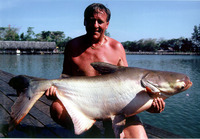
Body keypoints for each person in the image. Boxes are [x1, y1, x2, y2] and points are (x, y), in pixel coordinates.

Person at [45, 3, 165, 138]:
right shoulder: (72, 46)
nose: (95, 25)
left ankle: (110, 127)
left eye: (100, 21)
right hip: (83, 105)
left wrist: (151, 106)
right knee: (56, 108)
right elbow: (65, 79)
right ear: (84, 22)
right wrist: (56, 93)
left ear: (107, 24)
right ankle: (90, 133)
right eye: (91, 21)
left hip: (117, 108)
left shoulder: (117, 47)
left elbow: (130, 87)